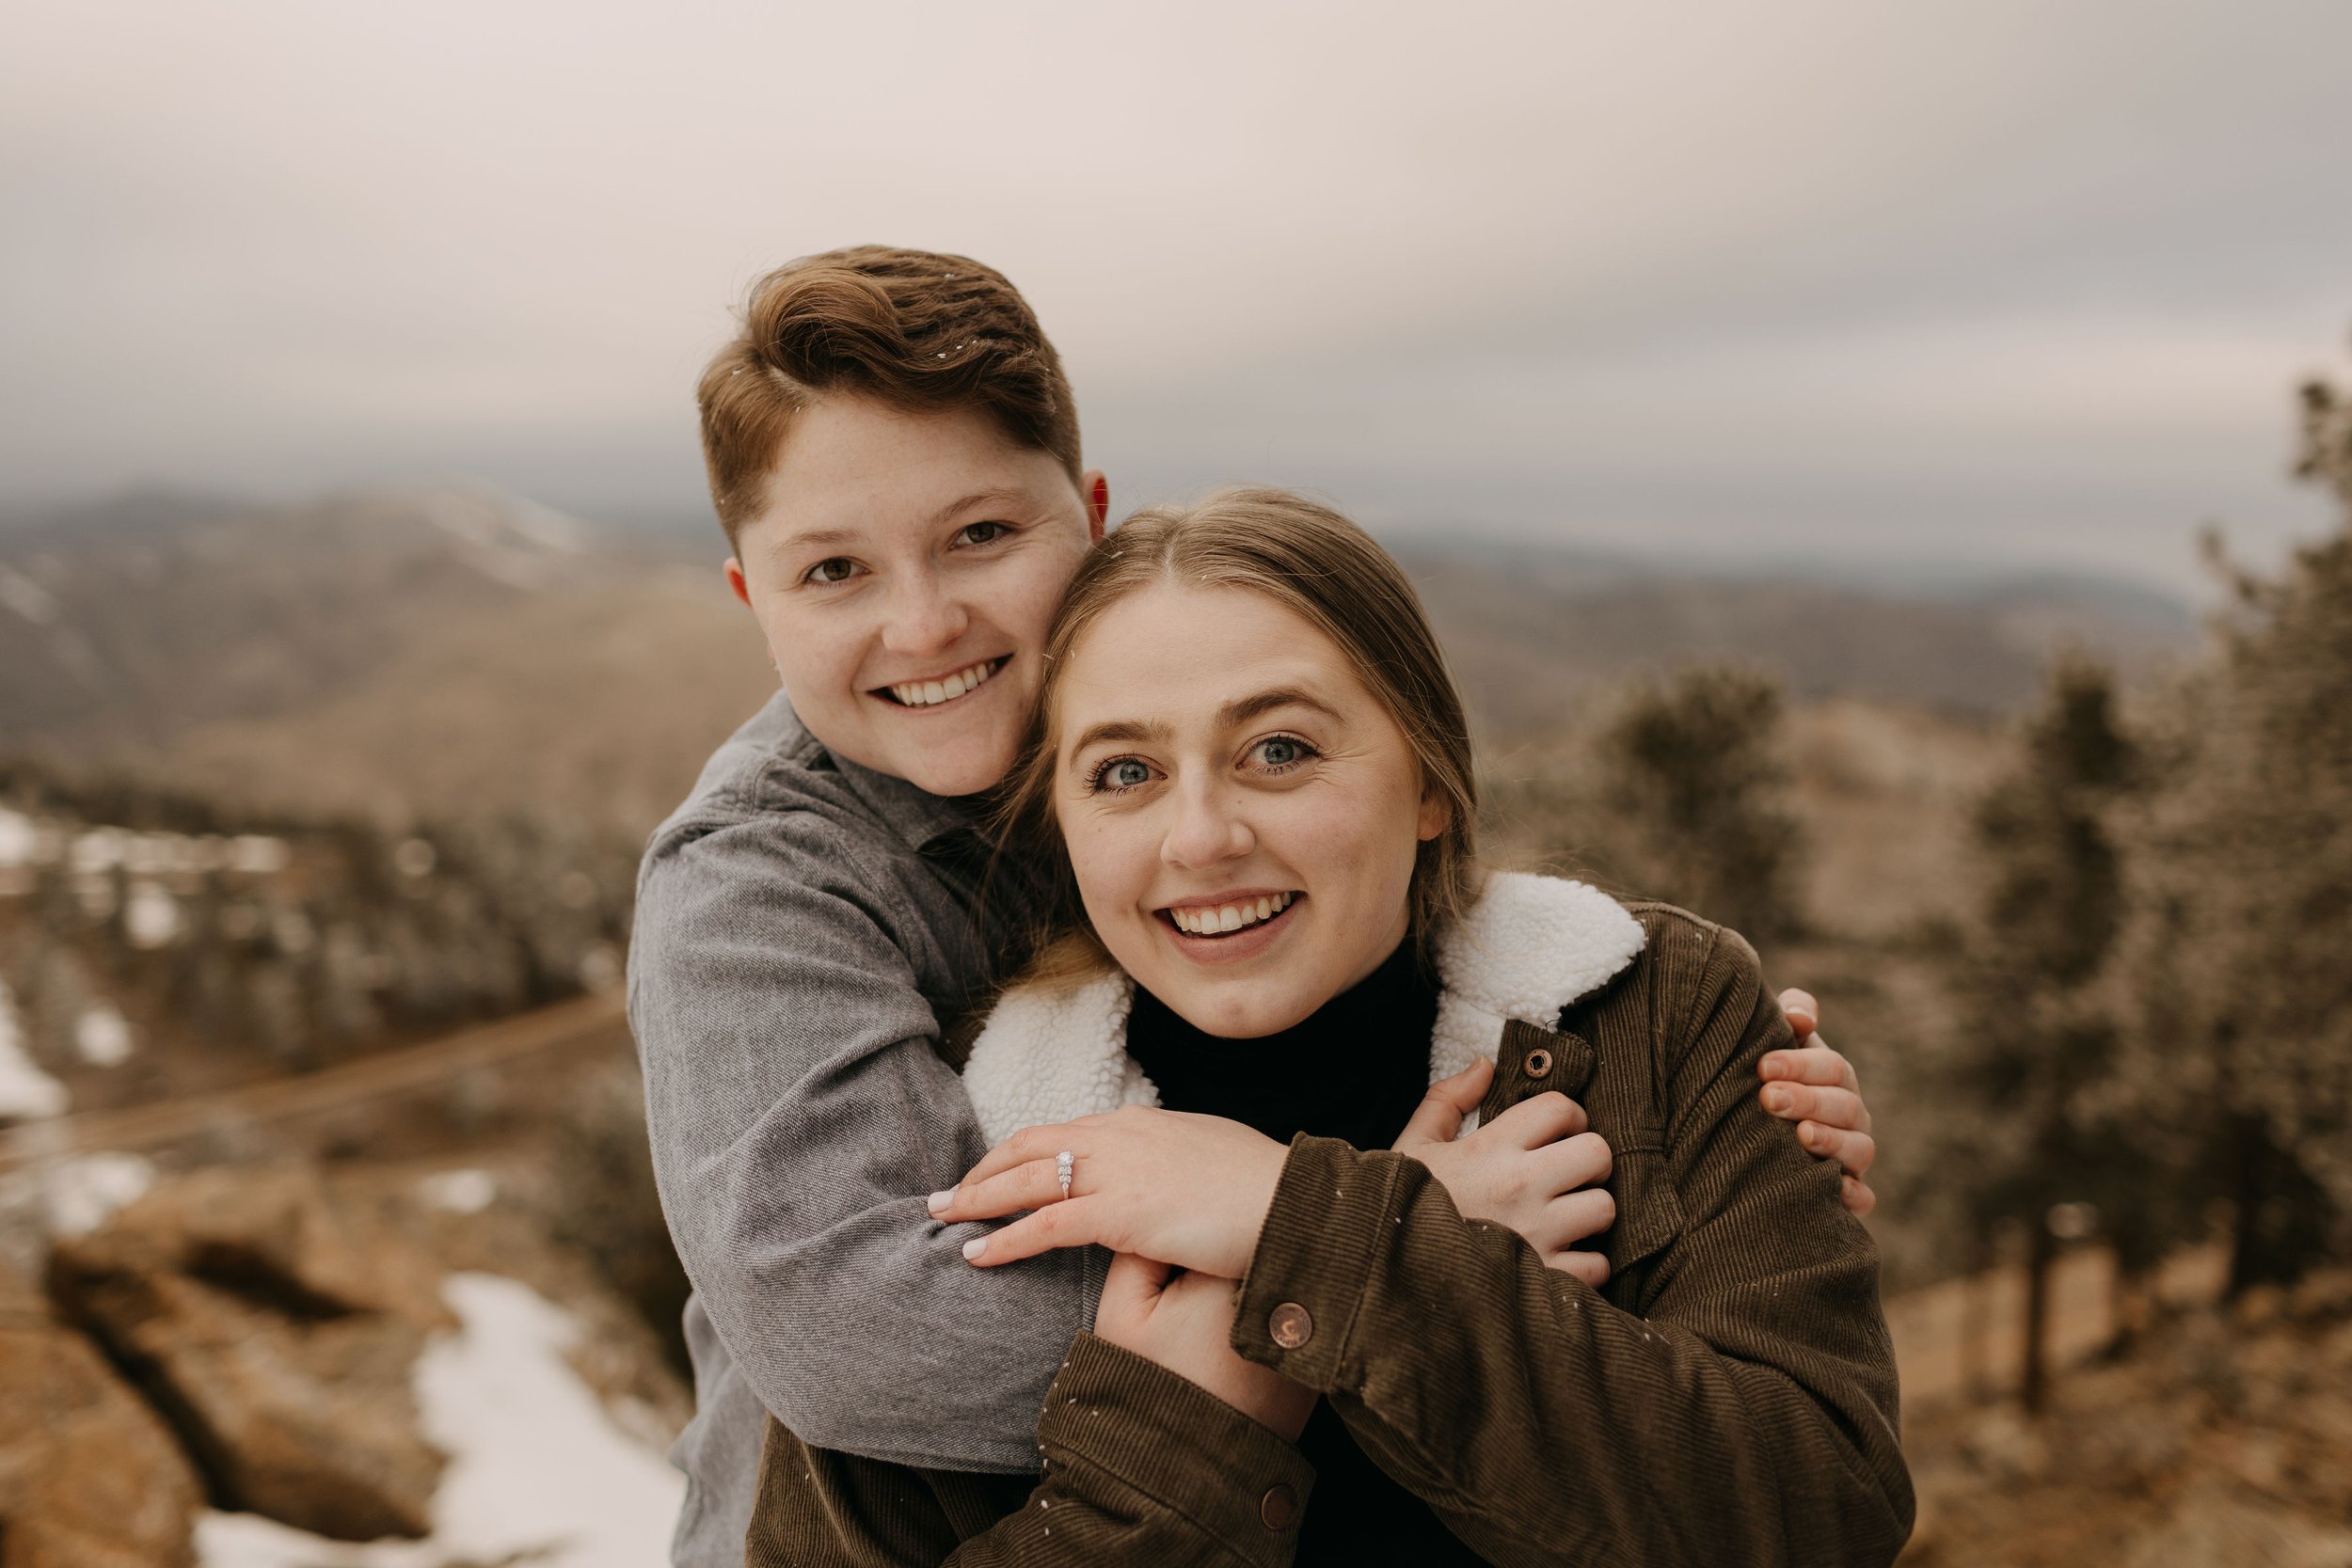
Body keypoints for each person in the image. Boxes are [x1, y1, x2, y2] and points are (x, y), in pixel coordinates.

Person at [629, 246, 1883, 1567]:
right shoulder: (760, 893)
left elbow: (1810, 1501)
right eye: (834, 572)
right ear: (750, 598)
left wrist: (1710, 1100)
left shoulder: (1625, 1009)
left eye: (982, 535)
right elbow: (862, 1343)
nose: (929, 622)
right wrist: (1371, 1247)